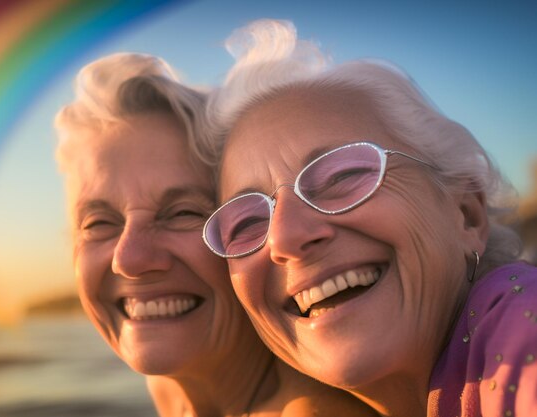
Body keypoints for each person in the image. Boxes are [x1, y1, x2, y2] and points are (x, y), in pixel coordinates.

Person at [201, 19, 537, 417]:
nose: (285, 237)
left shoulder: (520, 325)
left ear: (467, 214)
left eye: (344, 175)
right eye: (246, 224)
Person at [54, 52, 378, 417]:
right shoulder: (174, 382)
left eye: (183, 213)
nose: (129, 260)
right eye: (99, 223)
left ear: (253, 231)